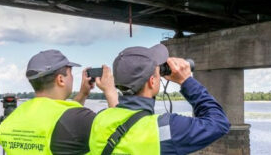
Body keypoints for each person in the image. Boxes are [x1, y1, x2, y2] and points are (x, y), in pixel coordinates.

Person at [88, 44, 230, 154]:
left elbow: (122, 116)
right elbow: (219, 123)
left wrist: (109, 90)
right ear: (152, 82)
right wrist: (186, 81)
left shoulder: (100, 119)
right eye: (158, 72)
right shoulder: (165, 128)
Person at [0, 49, 118, 154]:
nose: (72, 78)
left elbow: (63, 119)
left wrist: (83, 94)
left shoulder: (11, 120)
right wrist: (110, 91)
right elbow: (123, 139)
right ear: (60, 79)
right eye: (70, 73)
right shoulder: (78, 119)